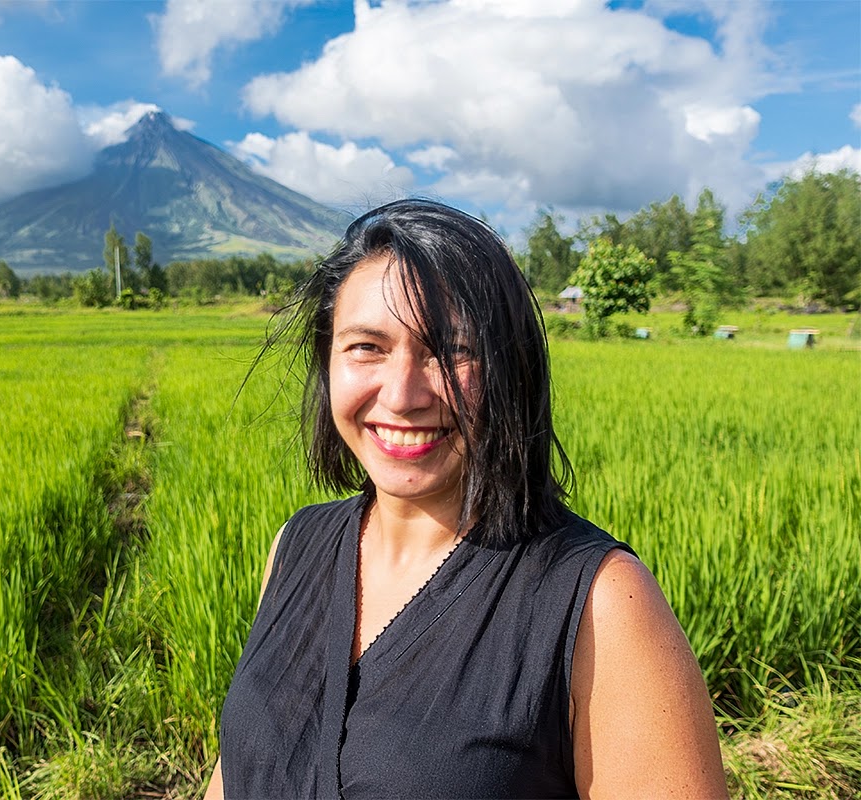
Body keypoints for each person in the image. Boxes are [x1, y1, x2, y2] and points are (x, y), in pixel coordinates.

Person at [205, 200, 726, 799]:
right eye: (367, 348)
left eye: (451, 351)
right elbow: (239, 768)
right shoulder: (296, 547)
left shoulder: (599, 604)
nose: (402, 395)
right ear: (328, 363)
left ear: (512, 371)